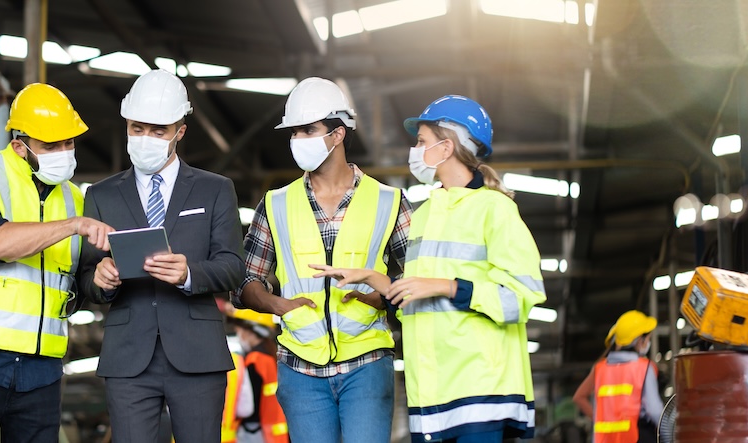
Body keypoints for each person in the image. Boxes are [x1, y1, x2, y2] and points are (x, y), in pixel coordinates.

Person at [310, 95, 545, 442]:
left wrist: (447, 286)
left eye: (421, 141)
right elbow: (417, 304)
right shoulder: (422, 215)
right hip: (432, 395)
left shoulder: (495, 209)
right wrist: (377, 282)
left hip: (481, 390)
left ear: (446, 147)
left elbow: (519, 299)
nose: (415, 149)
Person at [0, 83, 114, 442]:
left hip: (41, 370)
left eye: (69, 143)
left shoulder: (76, 199)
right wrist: (72, 226)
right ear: (19, 145)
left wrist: (104, 281)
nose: (63, 152)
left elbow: (80, 282)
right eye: (51, 145)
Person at [235, 77, 413, 443]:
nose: (298, 140)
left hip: (367, 360)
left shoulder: (389, 200)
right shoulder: (274, 204)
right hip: (299, 367)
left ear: (338, 133)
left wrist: (380, 295)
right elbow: (245, 281)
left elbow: (418, 280)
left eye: (308, 130)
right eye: (294, 132)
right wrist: (275, 303)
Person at [78, 69, 246, 443]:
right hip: (128, 358)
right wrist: (100, 280)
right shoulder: (100, 195)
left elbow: (233, 267)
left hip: (197, 355)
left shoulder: (215, 190)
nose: (146, 138)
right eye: (137, 129)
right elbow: (85, 276)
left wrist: (190, 274)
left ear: (179, 132)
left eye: (158, 131)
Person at [573, 310, 663, 443]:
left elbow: (579, 397)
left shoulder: (600, 369)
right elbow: (655, 411)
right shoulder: (643, 368)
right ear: (639, 340)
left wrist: (600, 420)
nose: (648, 342)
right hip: (636, 437)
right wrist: (672, 432)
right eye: (648, 338)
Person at [227, 308, 289, 443]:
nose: (238, 334)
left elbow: (248, 407)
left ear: (251, 332)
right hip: (274, 429)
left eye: (238, 330)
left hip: (256, 431)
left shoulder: (255, 360)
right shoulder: (272, 355)